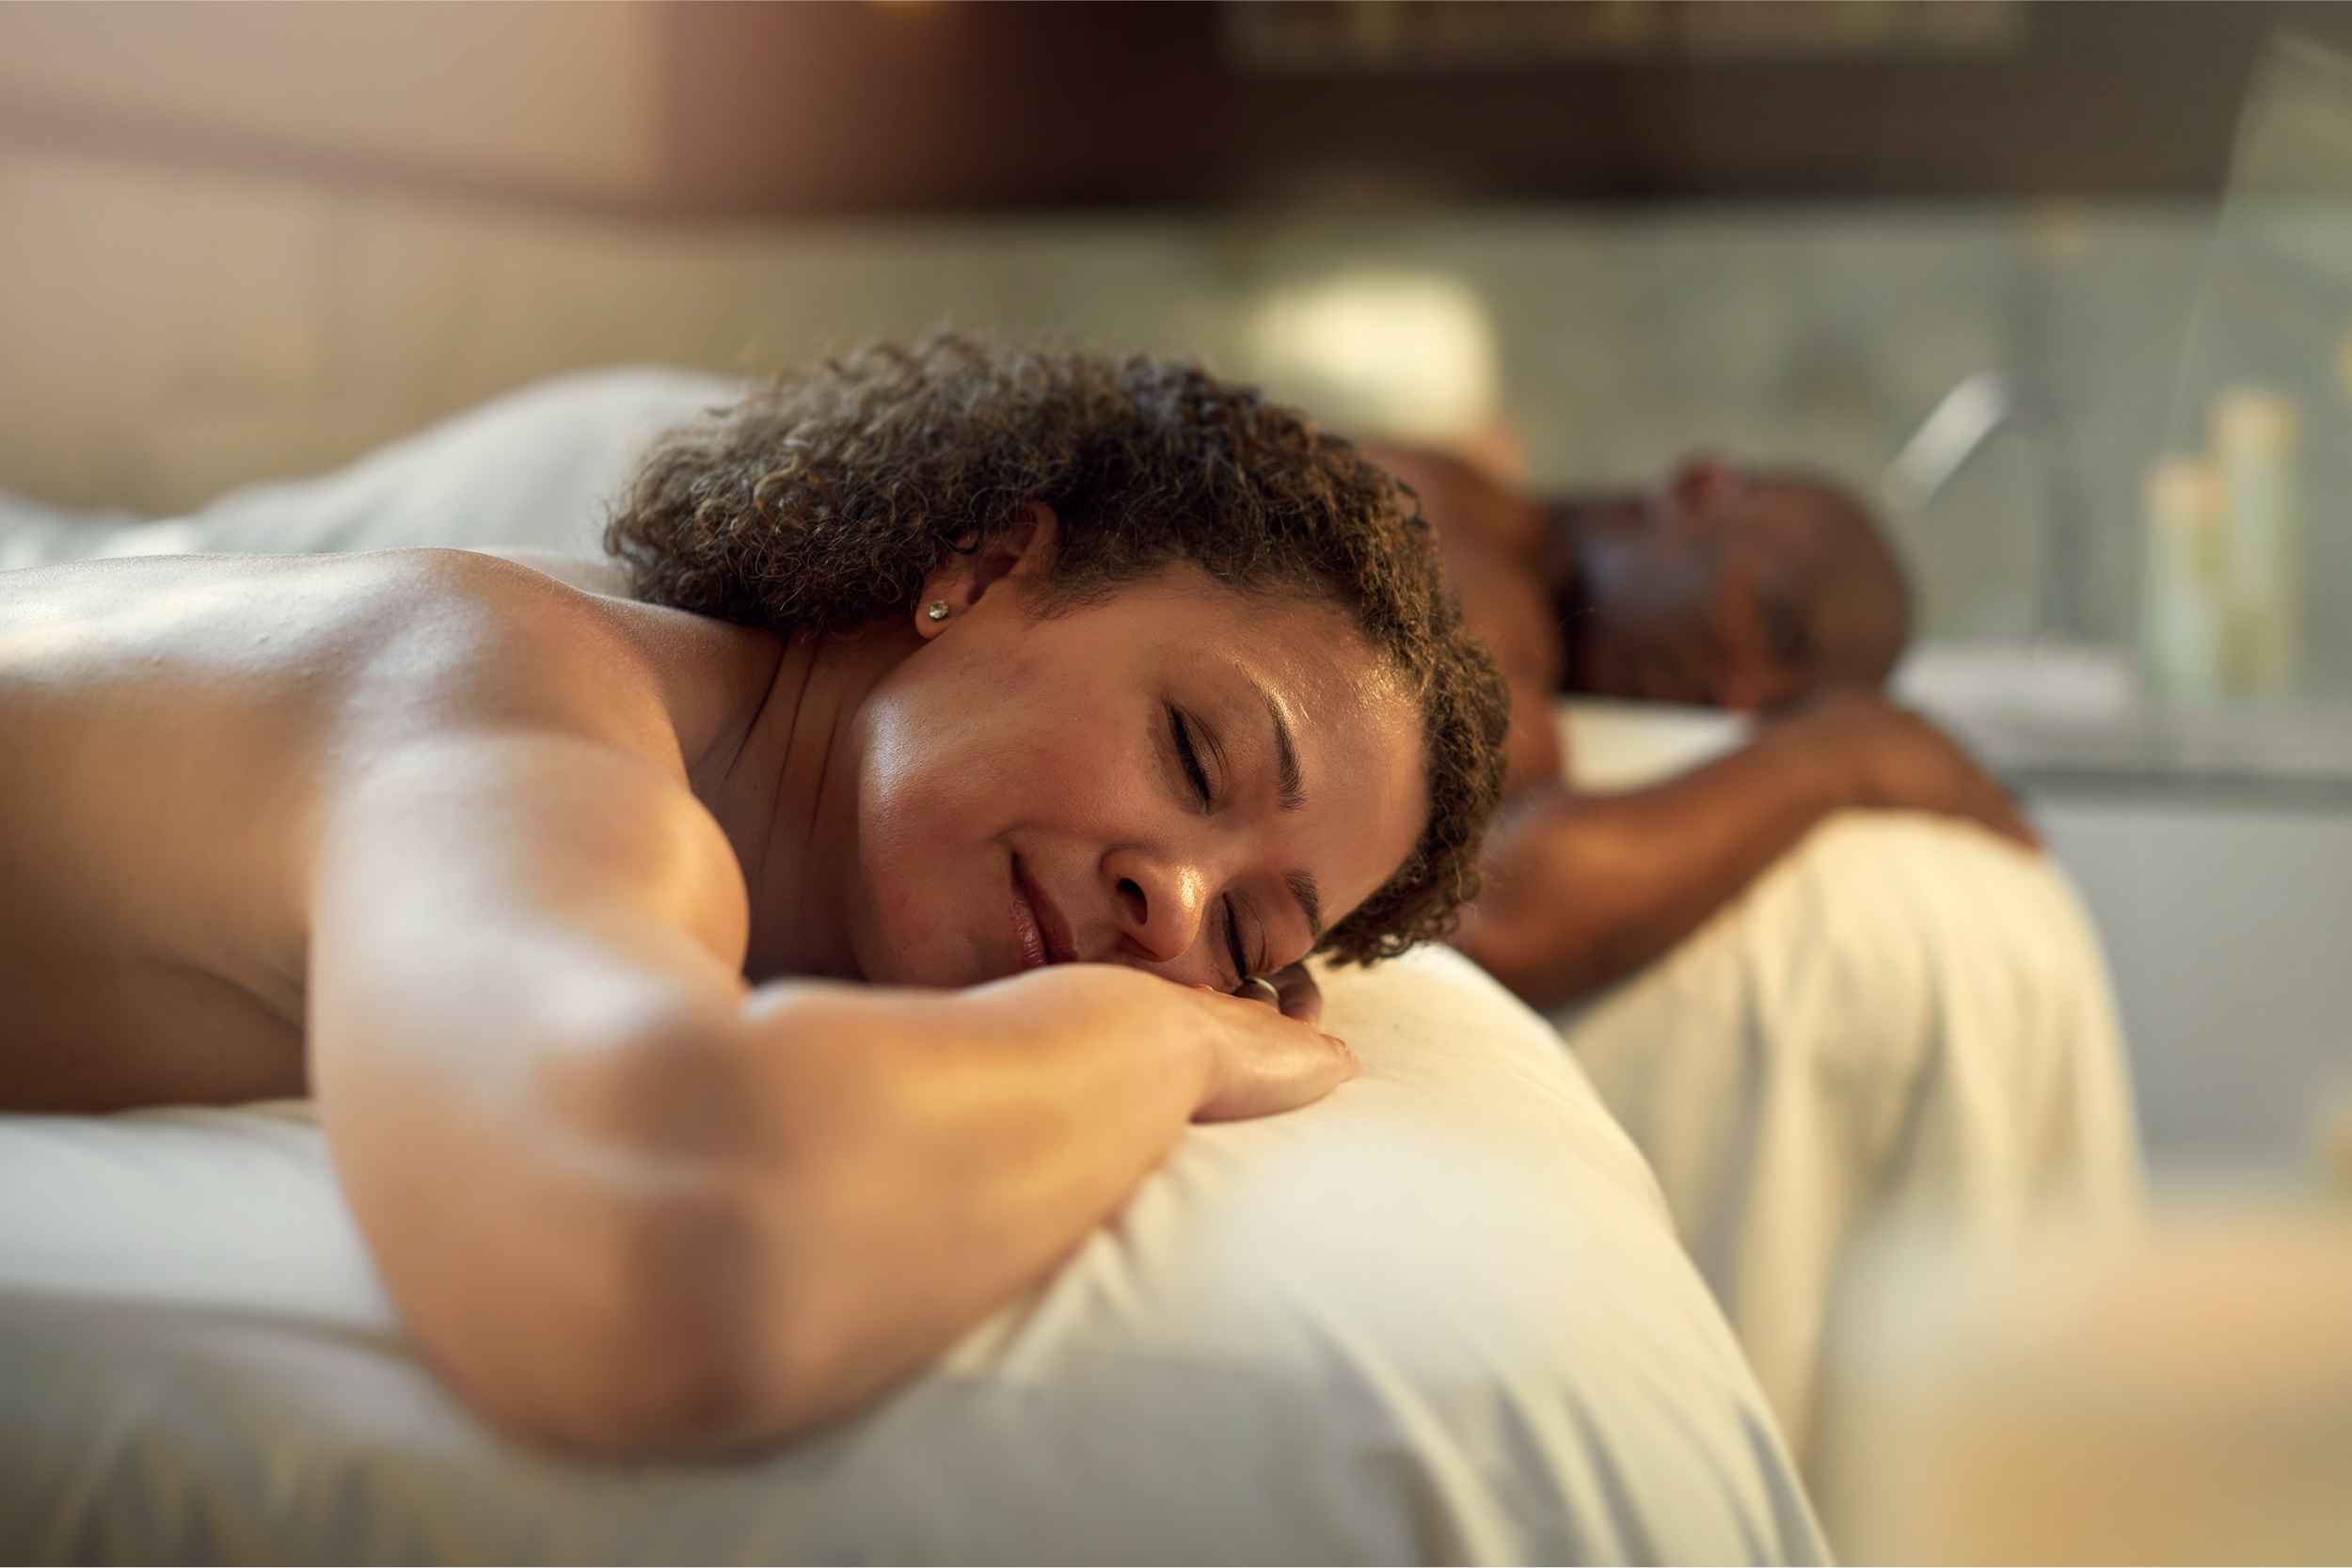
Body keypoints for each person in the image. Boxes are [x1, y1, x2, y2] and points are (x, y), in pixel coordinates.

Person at [0, 341, 1510, 1453]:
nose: (1170, 908)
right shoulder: (518, 695)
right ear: (984, 568)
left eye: (1247, 937)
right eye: (1193, 751)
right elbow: (653, 1247)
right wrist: (1171, 1038)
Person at [1367, 444, 2036, 1011]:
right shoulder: (1451, 546)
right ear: (1699, 489)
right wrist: (1842, 756)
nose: (1736, 699)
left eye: (1782, 708)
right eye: (1775, 625)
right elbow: (1494, 910)